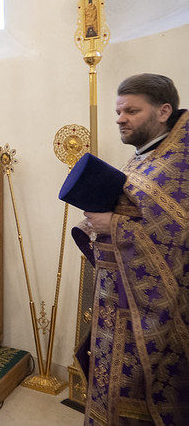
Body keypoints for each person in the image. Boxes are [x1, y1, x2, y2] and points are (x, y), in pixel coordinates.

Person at [72, 73, 188, 424]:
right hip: (116, 303)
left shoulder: (180, 162)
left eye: (131, 111)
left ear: (163, 111)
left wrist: (114, 225)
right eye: (118, 111)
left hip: (157, 312)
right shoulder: (144, 156)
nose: (120, 118)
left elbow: (177, 234)